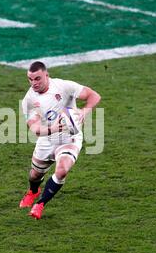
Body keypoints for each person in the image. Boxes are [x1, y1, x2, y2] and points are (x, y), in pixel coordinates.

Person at [19, 61, 101, 219]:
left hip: (70, 138)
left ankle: (40, 204)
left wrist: (84, 111)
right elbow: (35, 129)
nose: (33, 83)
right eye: (30, 79)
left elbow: (94, 96)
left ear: (46, 75)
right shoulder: (29, 100)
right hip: (46, 140)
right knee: (35, 175)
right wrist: (56, 128)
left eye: (37, 79)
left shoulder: (64, 86)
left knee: (62, 170)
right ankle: (33, 191)